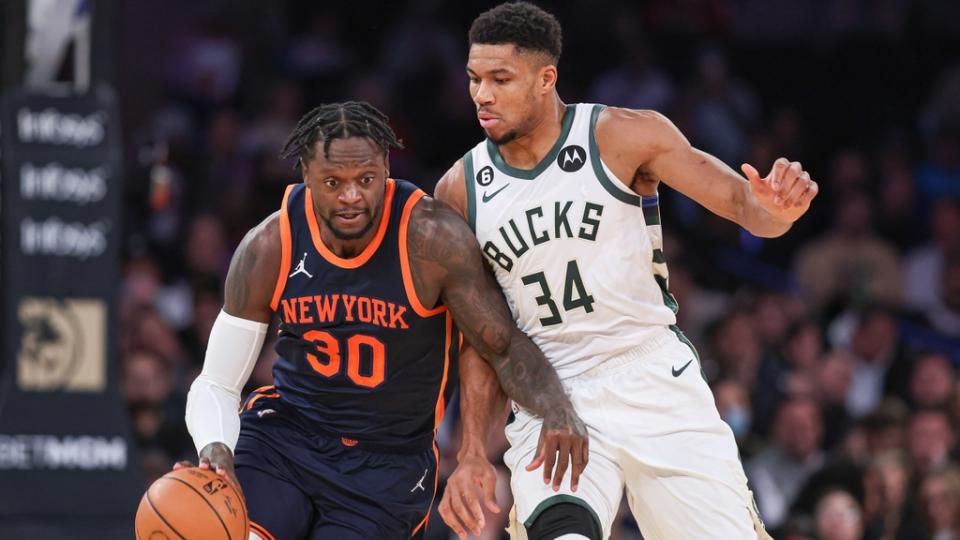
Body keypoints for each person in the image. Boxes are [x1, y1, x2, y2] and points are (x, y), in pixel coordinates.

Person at [434, 3, 819, 539]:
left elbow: (742, 203)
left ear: (547, 79)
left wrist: (777, 211)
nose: (482, 95)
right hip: (549, 393)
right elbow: (480, 334)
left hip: (650, 374)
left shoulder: (622, 135)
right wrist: (472, 449)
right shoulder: (459, 189)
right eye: (475, 79)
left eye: (501, 79)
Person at [177, 101, 589, 540]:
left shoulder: (430, 237)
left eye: (366, 180)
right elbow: (216, 382)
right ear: (305, 174)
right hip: (287, 439)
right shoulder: (270, 245)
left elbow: (500, 345)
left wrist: (556, 407)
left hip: (388, 464)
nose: (352, 196)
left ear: (387, 167)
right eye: (333, 182)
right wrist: (215, 445)